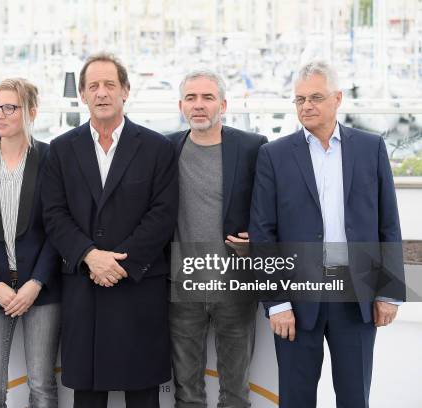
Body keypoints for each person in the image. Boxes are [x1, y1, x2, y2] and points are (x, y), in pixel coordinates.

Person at [249, 60, 405, 407]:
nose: (306, 106)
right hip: (297, 298)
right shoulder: (273, 156)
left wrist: (389, 292)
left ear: (337, 99)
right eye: (300, 99)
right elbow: (263, 234)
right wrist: (276, 303)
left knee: (354, 397)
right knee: (296, 399)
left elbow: (388, 224)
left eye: (316, 97)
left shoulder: (370, 147)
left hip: (356, 295)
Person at [41, 52, 178, 408]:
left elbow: (162, 215)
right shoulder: (60, 149)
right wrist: (89, 256)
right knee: (87, 395)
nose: (101, 93)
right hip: (84, 289)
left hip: (137, 286)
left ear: (125, 91)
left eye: (109, 85)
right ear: (82, 95)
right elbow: (53, 213)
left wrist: (119, 265)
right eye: (93, 86)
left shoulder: (156, 147)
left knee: (143, 394)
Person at [167, 71, 267, 408]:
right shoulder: (166, 148)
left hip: (236, 286)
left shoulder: (253, 147)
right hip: (183, 286)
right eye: (191, 98)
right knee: (187, 391)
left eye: (207, 98)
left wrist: (257, 239)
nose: (199, 105)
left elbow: (268, 205)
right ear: (181, 106)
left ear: (223, 104)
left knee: (236, 392)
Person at [0, 78, 61, 407]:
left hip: (41, 290)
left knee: (42, 386)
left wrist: (36, 282)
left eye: (10, 108)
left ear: (31, 112)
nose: (0, 115)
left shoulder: (50, 158)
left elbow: (56, 227)